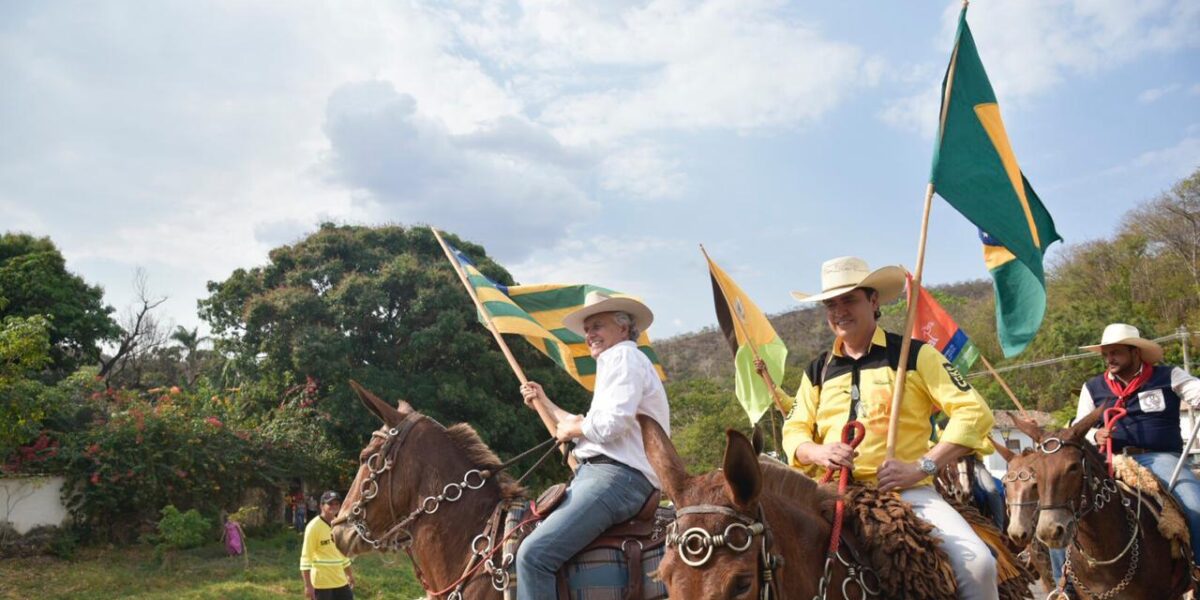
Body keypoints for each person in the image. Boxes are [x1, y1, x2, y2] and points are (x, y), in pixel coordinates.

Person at [780, 256, 998, 600]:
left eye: (849, 299)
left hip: (907, 494)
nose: (839, 311)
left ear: (873, 300)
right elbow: (793, 431)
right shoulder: (817, 370)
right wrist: (818, 452)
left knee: (979, 567)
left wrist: (920, 467)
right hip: (828, 494)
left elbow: (974, 413)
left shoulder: (915, 355)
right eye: (831, 304)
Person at [516, 291, 670, 600]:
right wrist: (543, 402)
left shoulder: (623, 356)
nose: (590, 335)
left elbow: (609, 424)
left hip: (617, 479)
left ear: (623, 328)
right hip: (607, 475)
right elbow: (582, 425)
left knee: (533, 556)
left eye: (597, 326)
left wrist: (574, 426)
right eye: (587, 329)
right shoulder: (620, 362)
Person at [1073, 322, 1200, 567]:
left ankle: (1197, 568)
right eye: (1106, 354)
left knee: (1196, 505)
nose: (1110, 358)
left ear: (1135, 352)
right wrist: (1095, 436)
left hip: (1160, 459)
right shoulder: (1092, 387)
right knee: (1063, 507)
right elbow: (1077, 428)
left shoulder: (1168, 376)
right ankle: (1064, 582)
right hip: (1108, 459)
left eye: (1116, 352)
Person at [300, 490, 355, 600]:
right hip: (321, 584)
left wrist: (349, 574)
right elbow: (306, 558)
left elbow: (343, 553)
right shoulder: (313, 527)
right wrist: (308, 585)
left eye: (336, 504)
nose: (334, 506)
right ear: (321, 506)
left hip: (340, 582)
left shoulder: (340, 525)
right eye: (330, 504)